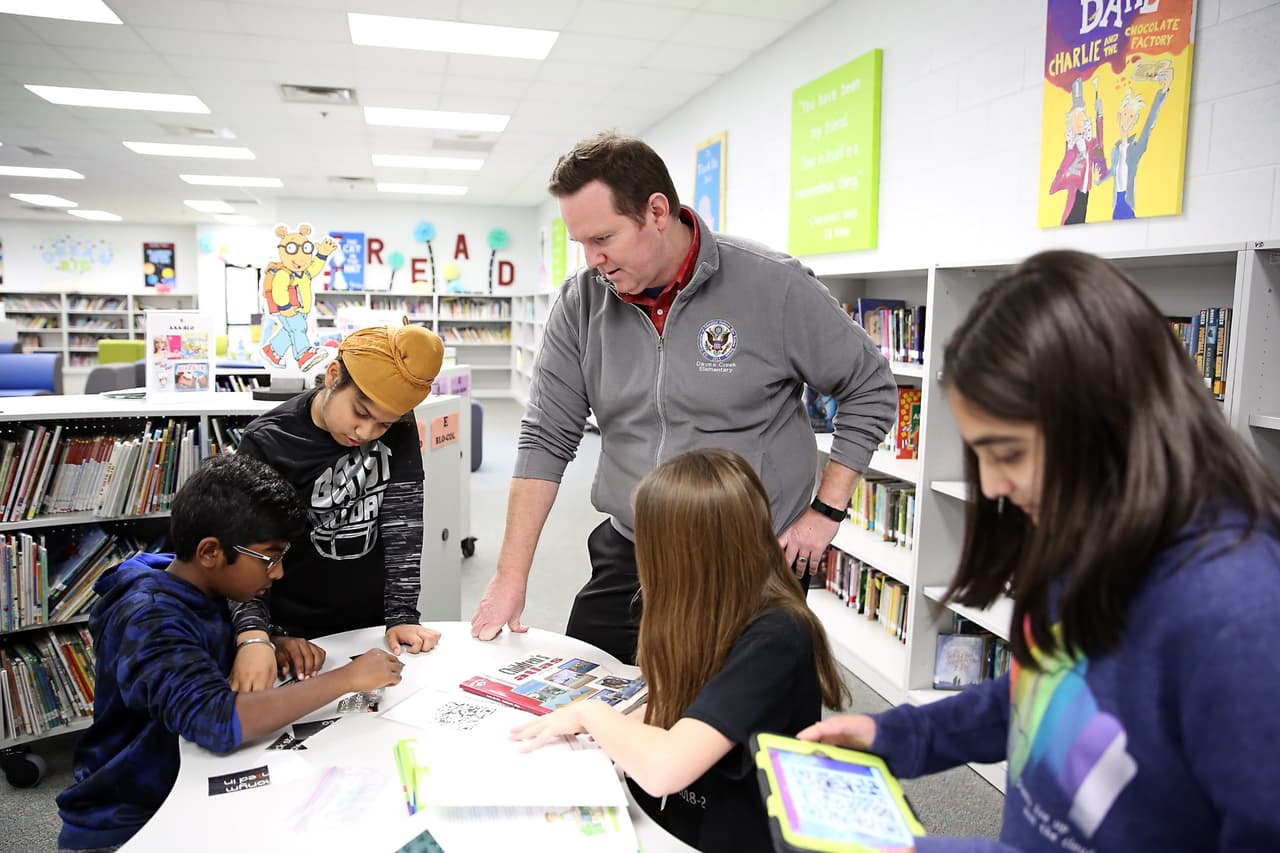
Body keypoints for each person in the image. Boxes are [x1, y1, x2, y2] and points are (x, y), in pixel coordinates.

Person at [798, 250, 1280, 851]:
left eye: (1009, 454)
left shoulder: (1240, 613)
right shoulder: (1084, 528)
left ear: (1107, 422)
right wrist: (897, 737)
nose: (993, 488)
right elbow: (1044, 697)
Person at [471, 131, 897, 664]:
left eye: (603, 237)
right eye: (580, 242)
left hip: (749, 558)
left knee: (734, 726)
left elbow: (871, 387)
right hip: (633, 548)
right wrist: (511, 576)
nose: (591, 258)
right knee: (587, 704)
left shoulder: (773, 286)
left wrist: (827, 511)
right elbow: (545, 438)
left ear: (656, 211)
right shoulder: (581, 303)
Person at [56, 454, 405, 852]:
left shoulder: (196, 582)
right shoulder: (148, 616)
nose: (277, 573)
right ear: (210, 552)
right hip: (130, 819)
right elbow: (218, 722)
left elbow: (198, 648)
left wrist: (271, 642)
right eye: (269, 558)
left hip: (191, 783)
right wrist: (346, 681)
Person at [512, 448, 849, 853]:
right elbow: (672, 715)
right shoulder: (714, 611)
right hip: (685, 819)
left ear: (680, 555)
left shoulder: (777, 637)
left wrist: (591, 713)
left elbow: (662, 770)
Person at [229, 320, 445, 691]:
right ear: (332, 376)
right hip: (292, 631)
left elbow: (403, 526)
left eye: (383, 424)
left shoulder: (399, 429)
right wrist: (256, 634)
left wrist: (401, 615)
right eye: (360, 413)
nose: (366, 433)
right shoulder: (269, 440)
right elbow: (249, 549)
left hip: (370, 624)